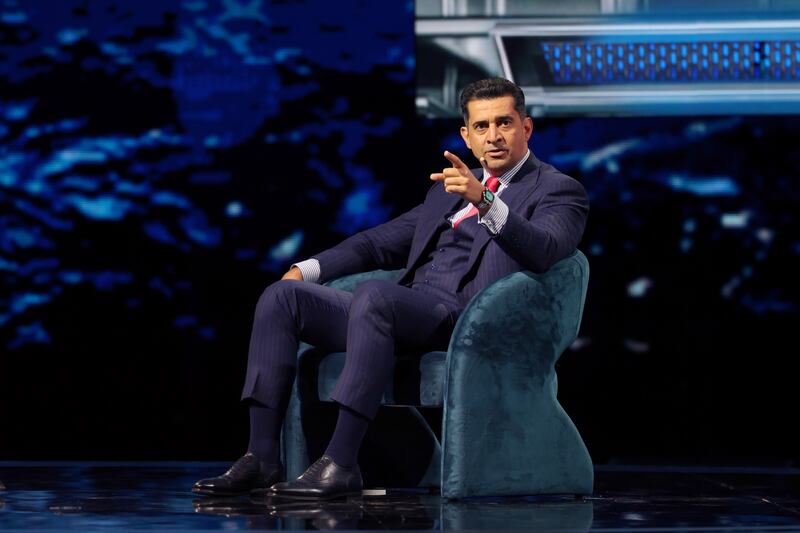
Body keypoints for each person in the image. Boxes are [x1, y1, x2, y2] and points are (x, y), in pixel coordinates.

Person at [193, 77, 589, 499]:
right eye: (481, 126)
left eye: (504, 123)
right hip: (404, 309)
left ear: (526, 128)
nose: (493, 136)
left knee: (375, 296)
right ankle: (262, 457)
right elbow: (377, 243)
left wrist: (485, 201)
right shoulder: (447, 189)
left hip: (466, 319)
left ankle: (342, 462)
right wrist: (305, 269)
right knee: (282, 297)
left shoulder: (558, 189)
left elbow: (545, 249)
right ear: (466, 136)